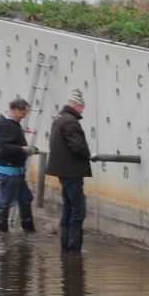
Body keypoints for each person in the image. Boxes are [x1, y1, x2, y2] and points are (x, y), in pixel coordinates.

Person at [45, 88, 92, 253]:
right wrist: (89, 154)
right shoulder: (71, 121)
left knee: (68, 207)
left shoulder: (58, 119)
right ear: (76, 106)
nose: (82, 111)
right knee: (78, 210)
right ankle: (74, 249)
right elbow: (78, 146)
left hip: (62, 171)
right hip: (72, 172)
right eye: (82, 108)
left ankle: (65, 247)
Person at [0, 98, 37, 233]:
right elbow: (4, 147)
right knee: (5, 202)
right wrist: (23, 149)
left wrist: (20, 132)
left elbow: (9, 138)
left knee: (25, 198)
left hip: (15, 171)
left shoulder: (10, 122)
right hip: (8, 171)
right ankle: (3, 234)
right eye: (23, 114)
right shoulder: (6, 124)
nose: (24, 117)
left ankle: (28, 230)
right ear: (16, 109)